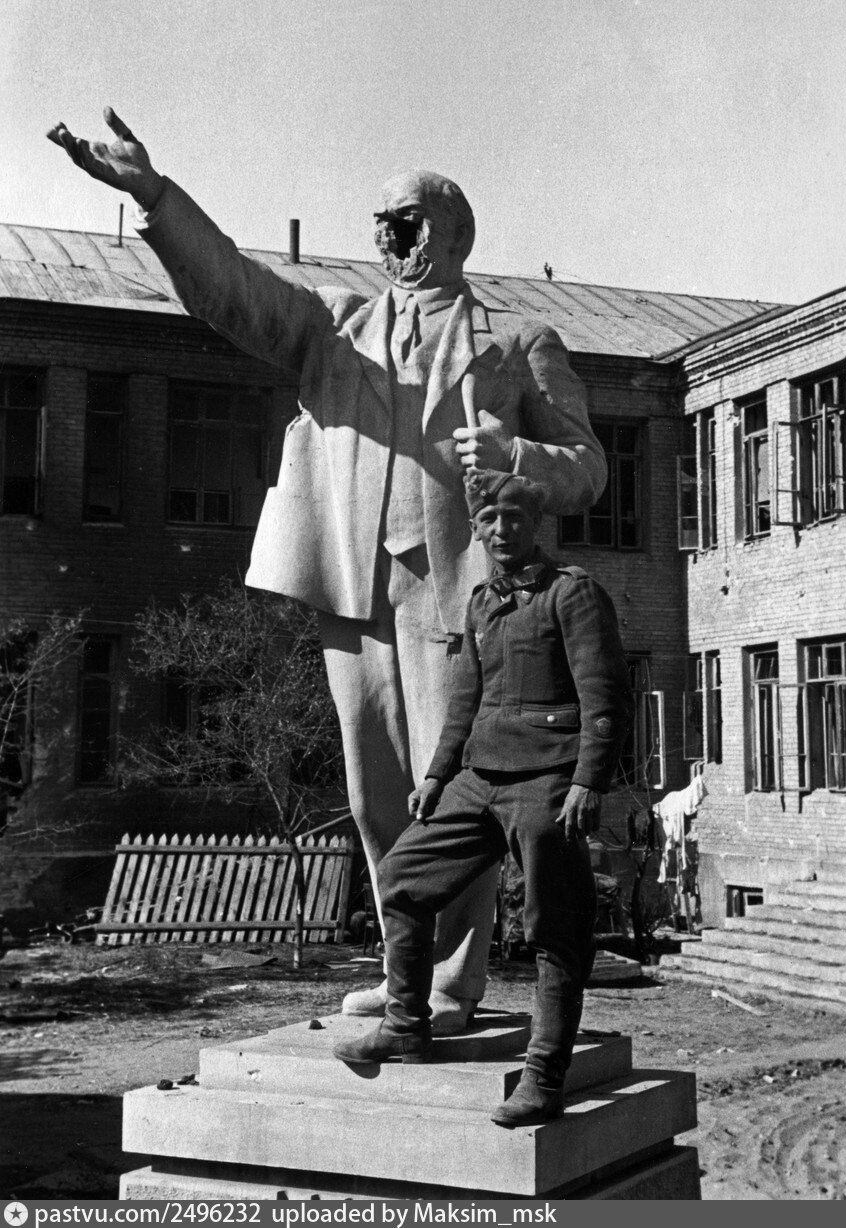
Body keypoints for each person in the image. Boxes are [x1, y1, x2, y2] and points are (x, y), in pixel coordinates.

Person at [47, 110, 608, 1033]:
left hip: (459, 589)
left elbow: (588, 468)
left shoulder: (518, 342)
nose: (389, 237)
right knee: (375, 794)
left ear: (453, 234)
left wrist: (519, 456)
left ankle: (452, 983)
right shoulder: (334, 326)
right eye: (380, 222)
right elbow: (233, 290)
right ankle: (404, 974)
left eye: (407, 221)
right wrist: (153, 196)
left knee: (452, 785)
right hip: (357, 585)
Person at [334, 471, 632, 1126]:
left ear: (535, 524)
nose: (502, 530)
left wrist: (588, 780)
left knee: (554, 925)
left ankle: (544, 1076)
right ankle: (405, 1025)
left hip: (549, 778)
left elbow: (605, 695)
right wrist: (437, 776)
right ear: (475, 529)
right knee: (402, 878)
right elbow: (464, 700)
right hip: (479, 776)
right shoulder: (480, 603)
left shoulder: (571, 592)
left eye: (514, 518)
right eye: (489, 520)